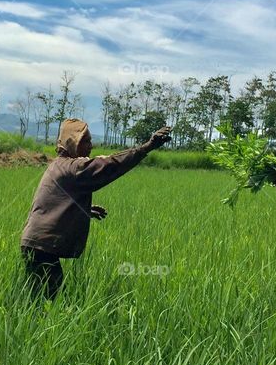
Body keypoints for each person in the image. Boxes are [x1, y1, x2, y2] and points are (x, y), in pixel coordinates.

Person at [20, 118, 172, 299]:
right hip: (41, 247)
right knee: (53, 303)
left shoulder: (57, 165)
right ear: (72, 142)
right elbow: (110, 165)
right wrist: (146, 147)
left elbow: (52, 200)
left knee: (47, 300)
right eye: (86, 141)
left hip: (37, 244)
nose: (91, 146)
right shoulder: (73, 168)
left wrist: (82, 208)